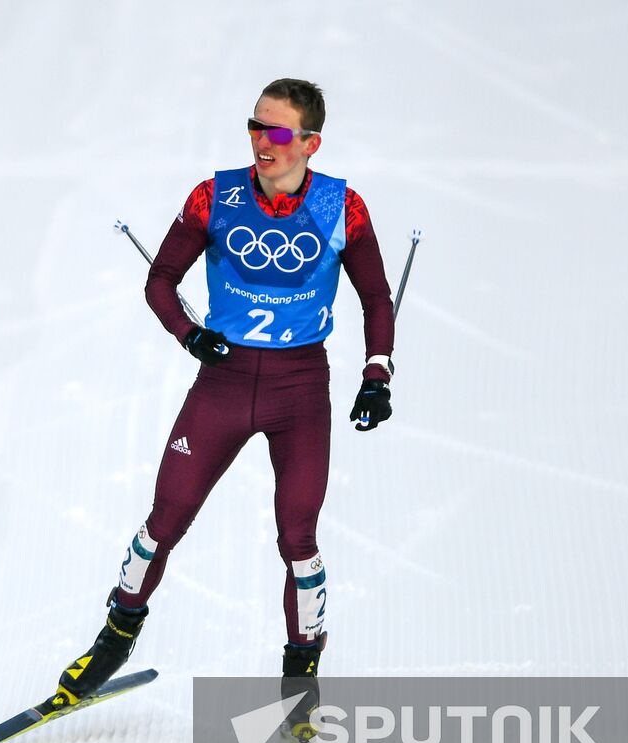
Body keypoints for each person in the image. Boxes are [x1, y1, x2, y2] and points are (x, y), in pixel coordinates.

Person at [51, 78, 395, 710]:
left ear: (311, 144)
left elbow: (376, 297)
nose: (264, 142)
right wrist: (190, 335)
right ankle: (116, 636)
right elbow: (160, 281)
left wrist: (377, 375)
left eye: (279, 131)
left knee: (299, 537)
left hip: (299, 391)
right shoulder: (216, 197)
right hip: (225, 384)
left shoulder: (341, 208)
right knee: (166, 516)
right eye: (255, 126)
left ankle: (301, 684)